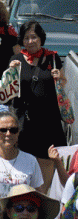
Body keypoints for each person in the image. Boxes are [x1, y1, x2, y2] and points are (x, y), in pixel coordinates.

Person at [15, 20, 71, 187]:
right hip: (26, 124)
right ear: (22, 40)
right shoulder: (16, 60)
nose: (30, 41)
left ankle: (43, 203)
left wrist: (58, 78)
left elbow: (63, 83)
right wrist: (11, 71)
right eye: (26, 38)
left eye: (34, 37)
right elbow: (8, 87)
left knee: (46, 167)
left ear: (41, 38)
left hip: (49, 123)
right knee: (25, 168)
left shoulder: (53, 58)